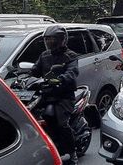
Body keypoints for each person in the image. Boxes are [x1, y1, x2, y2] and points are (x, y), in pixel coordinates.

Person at [31, 25, 79, 165]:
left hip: (63, 96)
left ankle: (72, 151)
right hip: (45, 94)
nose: (50, 42)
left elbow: (72, 73)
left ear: (62, 40)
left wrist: (61, 79)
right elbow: (35, 70)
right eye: (48, 40)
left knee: (61, 123)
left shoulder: (70, 56)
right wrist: (22, 74)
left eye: (53, 40)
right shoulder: (44, 55)